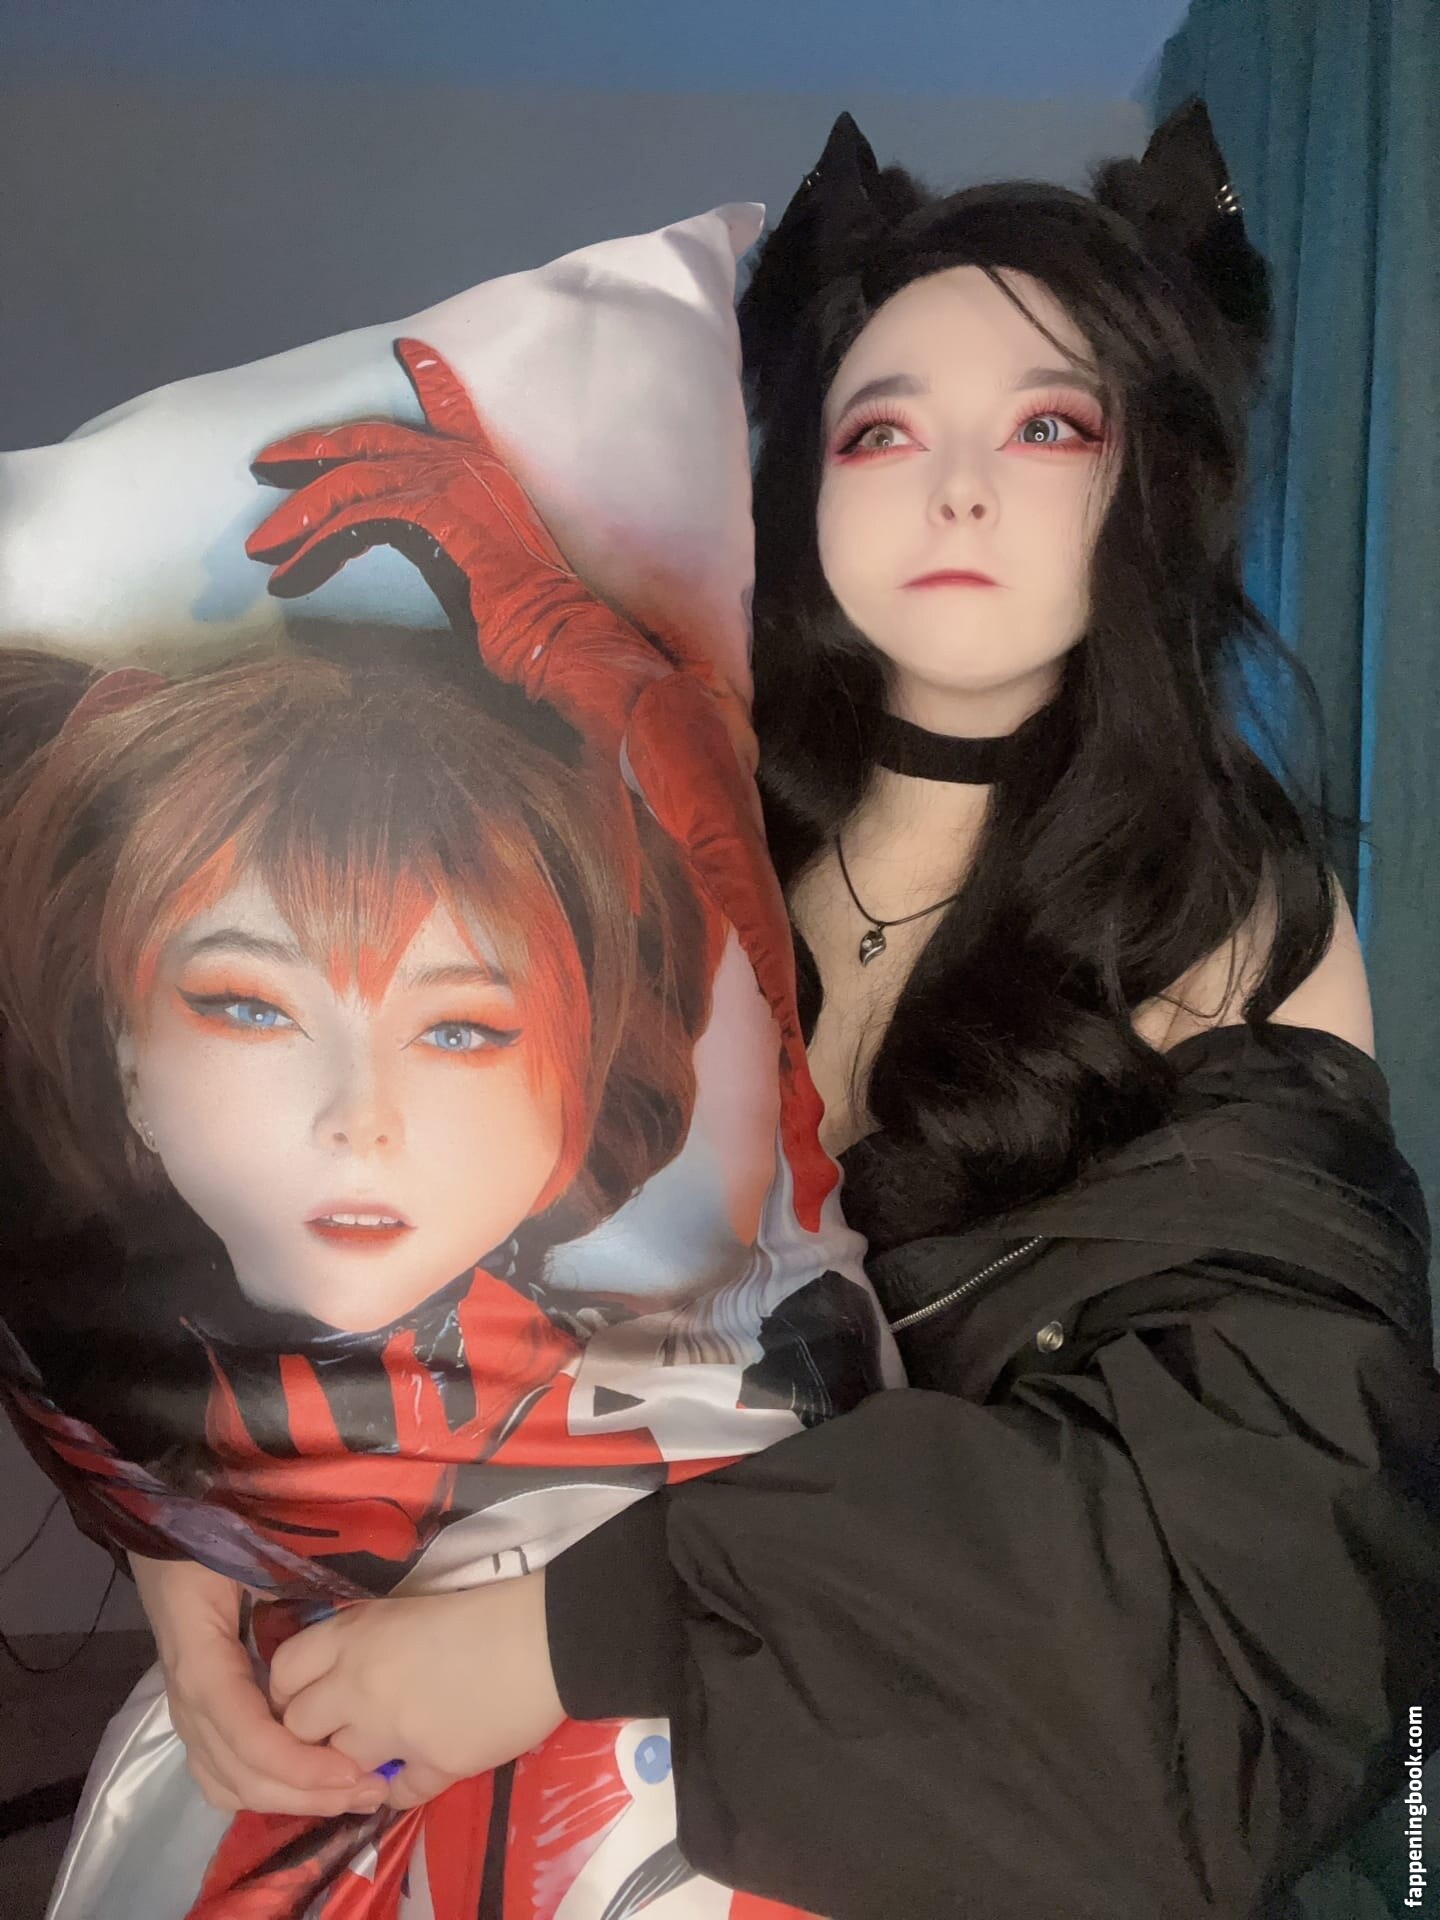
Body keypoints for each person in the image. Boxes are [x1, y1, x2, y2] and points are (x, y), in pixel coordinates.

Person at [115, 100, 1440, 1919]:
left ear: (1156, 474)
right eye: (882, 428)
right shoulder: (685, 818)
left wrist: (571, 1640)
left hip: (886, 1803)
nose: (955, 486)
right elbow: (352, 1210)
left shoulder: (1223, 907)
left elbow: (1263, 1554)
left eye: (1049, 424)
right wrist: (192, 1526)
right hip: (412, 1678)